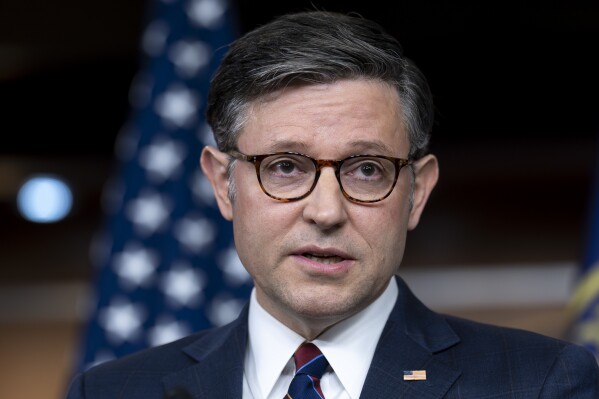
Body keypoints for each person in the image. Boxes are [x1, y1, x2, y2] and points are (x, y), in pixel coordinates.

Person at [66, 10, 599, 399]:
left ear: (418, 192)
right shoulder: (113, 390)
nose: (325, 211)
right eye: (285, 167)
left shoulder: (541, 382)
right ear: (223, 184)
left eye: (366, 170)